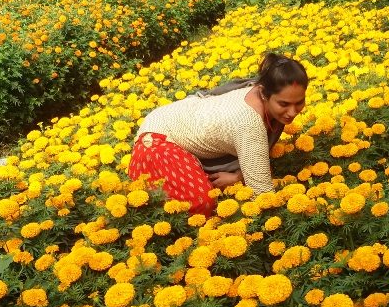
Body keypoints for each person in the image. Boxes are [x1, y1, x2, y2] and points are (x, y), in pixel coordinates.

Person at [128, 53, 309, 216]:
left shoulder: (265, 87)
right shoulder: (248, 122)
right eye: (284, 104)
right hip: (158, 139)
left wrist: (238, 176)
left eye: (299, 102)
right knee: (202, 203)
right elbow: (262, 194)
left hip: (184, 119)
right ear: (264, 93)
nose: (292, 112)